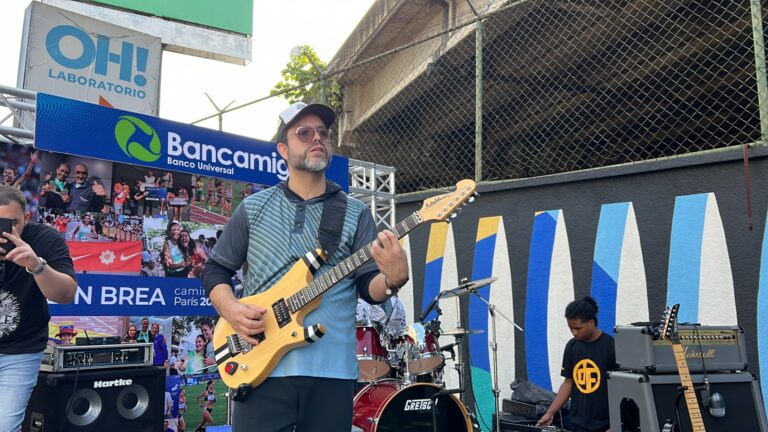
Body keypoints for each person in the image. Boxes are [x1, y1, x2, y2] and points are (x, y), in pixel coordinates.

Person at [202, 102, 409, 431]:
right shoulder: (253, 208)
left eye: (323, 133)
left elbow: (368, 286)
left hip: (332, 370)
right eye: (304, 133)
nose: (317, 138)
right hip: (259, 367)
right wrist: (230, 309)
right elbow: (215, 270)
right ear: (283, 149)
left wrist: (393, 280)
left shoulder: (355, 212)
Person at [0, 185, 77, 431]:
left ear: (27, 218)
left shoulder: (45, 239)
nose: (5, 231)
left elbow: (66, 293)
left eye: (12, 223)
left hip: (20, 350)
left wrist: (36, 265)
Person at [536, 296, 616, 432]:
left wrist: (615, 426)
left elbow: (623, 389)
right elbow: (568, 383)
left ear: (591, 322)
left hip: (605, 425)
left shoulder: (611, 346)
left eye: (578, 328)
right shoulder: (572, 346)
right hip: (577, 424)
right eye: (571, 328)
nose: (574, 332)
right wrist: (550, 412)